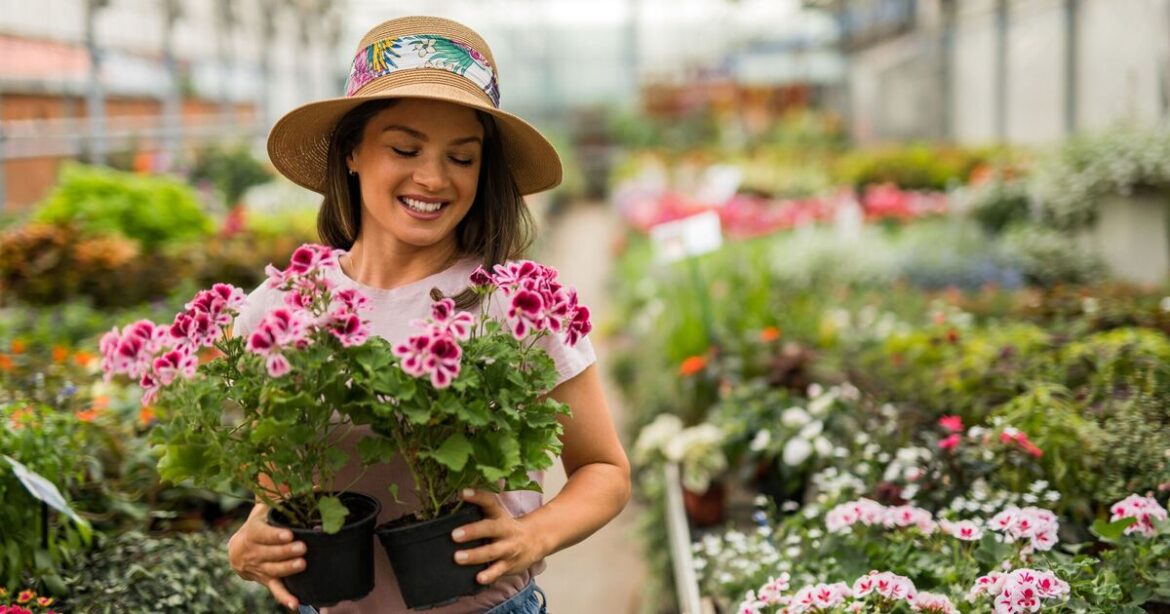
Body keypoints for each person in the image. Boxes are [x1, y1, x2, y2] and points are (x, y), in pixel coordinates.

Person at [226, 15, 631, 614]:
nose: (433, 178)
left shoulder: (513, 302)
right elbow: (282, 493)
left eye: (461, 158)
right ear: (353, 152)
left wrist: (532, 535)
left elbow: (604, 470)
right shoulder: (282, 309)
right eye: (404, 148)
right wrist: (250, 542)